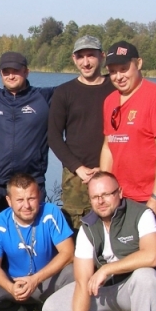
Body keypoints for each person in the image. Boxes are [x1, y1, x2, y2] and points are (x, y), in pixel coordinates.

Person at [42, 172, 156, 311]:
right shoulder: (87, 227)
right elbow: (82, 283)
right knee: (51, 309)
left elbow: (152, 256)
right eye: (95, 197)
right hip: (102, 291)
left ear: (120, 192)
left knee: (148, 278)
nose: (101, 201)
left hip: (131, 289)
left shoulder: (141, 214)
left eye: (106, 194)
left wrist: (107, 268)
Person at [100, 41, 156, 311]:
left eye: (124, 69)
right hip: (124, 195)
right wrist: (101, 186)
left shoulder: (155, 96)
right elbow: (109, 146)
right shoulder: (110, 101)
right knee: (127, 255)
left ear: (139, 64)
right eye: (113, 71)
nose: (119, 76)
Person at [0, 173, 74, 311]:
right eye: (19, 200)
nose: (26, 205)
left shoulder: (50, 213)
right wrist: (10, 287)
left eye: (31, 198)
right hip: (16, 283)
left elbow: (68, 253)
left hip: (47, 281)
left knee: (74, 272)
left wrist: (35, 279)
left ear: (39, 196)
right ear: (9, 201)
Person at [0, 52, 55, 213]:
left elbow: (77, 88)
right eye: (6, 72)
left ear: (26, 72)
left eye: (16, 71)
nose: (11, 76)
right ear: (0, 74)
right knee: (1, 232)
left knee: (35, 233)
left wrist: (108, 77)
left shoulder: (43, 97)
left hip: (33, 181)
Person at [48, 35, 113, 229]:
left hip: (111, 169)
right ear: (74, 59)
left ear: (101, 56)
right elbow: (53, 136)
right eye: (81, 57)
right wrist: (78, 168)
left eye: (91, 56)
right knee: (77, 228)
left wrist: (106, 167)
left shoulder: (116, 87)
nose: (86, 62)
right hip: (76, 174)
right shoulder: (64, 92)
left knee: (111, 222)